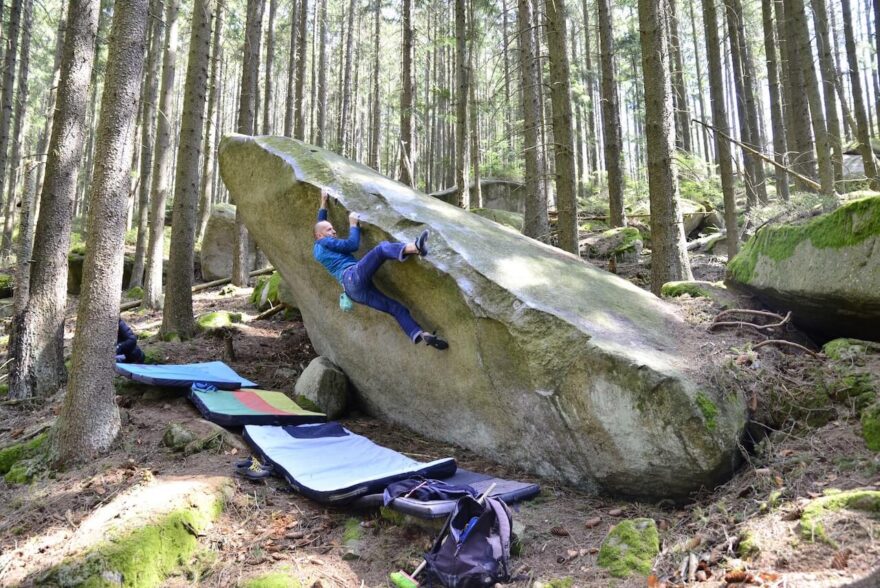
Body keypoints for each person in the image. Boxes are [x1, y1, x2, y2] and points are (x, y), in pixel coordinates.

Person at [313, 189, 449, 350]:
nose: (334, 231)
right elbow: (352, 245)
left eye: (333, 228)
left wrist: (323, 202)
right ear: (320, 236)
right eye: (330, 230)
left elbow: (319, 225)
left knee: (395, 308)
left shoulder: (318, 247)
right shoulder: (324, 242)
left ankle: (419, 334)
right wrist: (353, 224)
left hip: (353, 292)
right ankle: (415, 248)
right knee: (381, 250)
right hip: (352, 276)